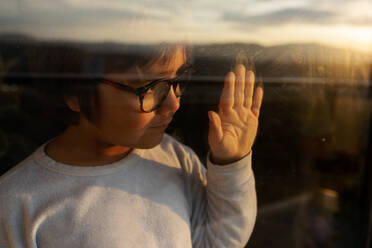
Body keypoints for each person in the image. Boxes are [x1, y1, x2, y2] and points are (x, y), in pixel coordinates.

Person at [0, 43, 263, 247]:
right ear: (74, 92)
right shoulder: (16, 204)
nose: (174, 104)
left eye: (178, 80)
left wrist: (231, 164)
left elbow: (216, 242)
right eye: (149, 87)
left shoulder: (174, 158)